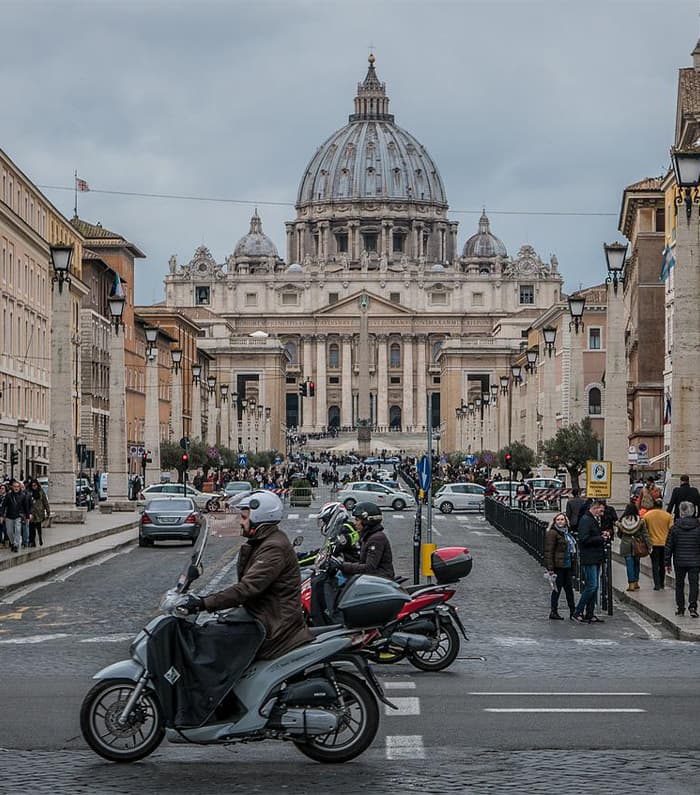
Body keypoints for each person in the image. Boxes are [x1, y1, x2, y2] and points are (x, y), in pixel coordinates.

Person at [180, 491, 313, 659]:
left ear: (258, 518)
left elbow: (247, 588)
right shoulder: (265, 541)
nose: (241, 522)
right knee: (214, 630)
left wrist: (203, 603)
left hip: (274, 625)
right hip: (264, 615)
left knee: (212, 641)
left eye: (244, 517)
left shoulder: (273, 547)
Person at [334, 501, 395, 580]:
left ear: (367, 521)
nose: (355, 523)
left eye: (357, 520)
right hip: (373, 578)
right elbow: (362, 562)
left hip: (381, 579)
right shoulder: (368, 536)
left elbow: (369, 567)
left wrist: (342, 566)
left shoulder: (376, 539)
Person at [572, 500, 608, 624]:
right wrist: (600, 538)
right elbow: (584, 539)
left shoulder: (592, 519)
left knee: (595, 586)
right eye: (601, 510)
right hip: (589, 557)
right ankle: (577, 611)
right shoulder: (586, 520)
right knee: (591, 586)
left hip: (595, 556)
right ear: (595, 508)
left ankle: (590, 613)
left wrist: (601, 534)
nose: (602, 514)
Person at [665, 500, 700, 618]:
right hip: (695, 561)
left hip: (679, 561)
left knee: (679, 584)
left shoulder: (675, 528)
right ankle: (693, 606)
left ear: (680, 512)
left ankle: (680, 607)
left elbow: (669, 546)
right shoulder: (698, 528)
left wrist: (667, 562)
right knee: (694, 584)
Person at [543, 513, 577, 620]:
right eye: (558, 519)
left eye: (562, 519)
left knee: (569, 590)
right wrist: (550, 568)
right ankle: (553, 611)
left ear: (566, 521)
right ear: (554, 521)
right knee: (557, 590)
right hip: (558, 566)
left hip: (567, 565)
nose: (560, 521)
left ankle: (573, 611)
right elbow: (549, 551)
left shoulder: (566, 533)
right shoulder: (552, 533)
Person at [615, 502, 651, 592]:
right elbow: (645, 534)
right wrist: (649, 545)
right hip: (637, 544)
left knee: (629, 564)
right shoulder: (640, 521)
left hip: (626, 544)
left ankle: (631, 584)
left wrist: (624, 538)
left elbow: (619, 534)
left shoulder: (622, 521)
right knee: (636, 563)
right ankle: (636, 582)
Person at [643, 499, 674, 590]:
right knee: (662, 564)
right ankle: (662, 583)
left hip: (653, 543)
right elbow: (671, 529)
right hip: (664, 544)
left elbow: (644, 529)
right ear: (661, 506)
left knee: (655, 564)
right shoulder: (668, 516)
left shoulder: (647, 515)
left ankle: (656, 584)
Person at [1, 479, 31, 553]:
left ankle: (16, 545)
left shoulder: (23, 496)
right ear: (12, 487)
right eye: (15, 486)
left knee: (18, 530)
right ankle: (13, 543)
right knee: (9, 532)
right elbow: (3, 506)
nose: (16, 488)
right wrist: (1, 515)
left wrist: (27, 517)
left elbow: (26, 507)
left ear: (20, 487)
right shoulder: (8, 495)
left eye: (17, 486)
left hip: (18, 516)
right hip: (9, 516)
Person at [27, 479, 50, 547]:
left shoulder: (41, 492)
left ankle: (40, 537)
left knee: (38, 526)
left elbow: (45, 502)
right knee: (31, 527)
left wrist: (48, 511)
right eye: (32, 485)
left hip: (39, 512)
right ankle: (32, 541)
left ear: (37, 485)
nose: (34, 486)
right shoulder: (29, 492)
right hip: (31, 512)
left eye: (35, 485)